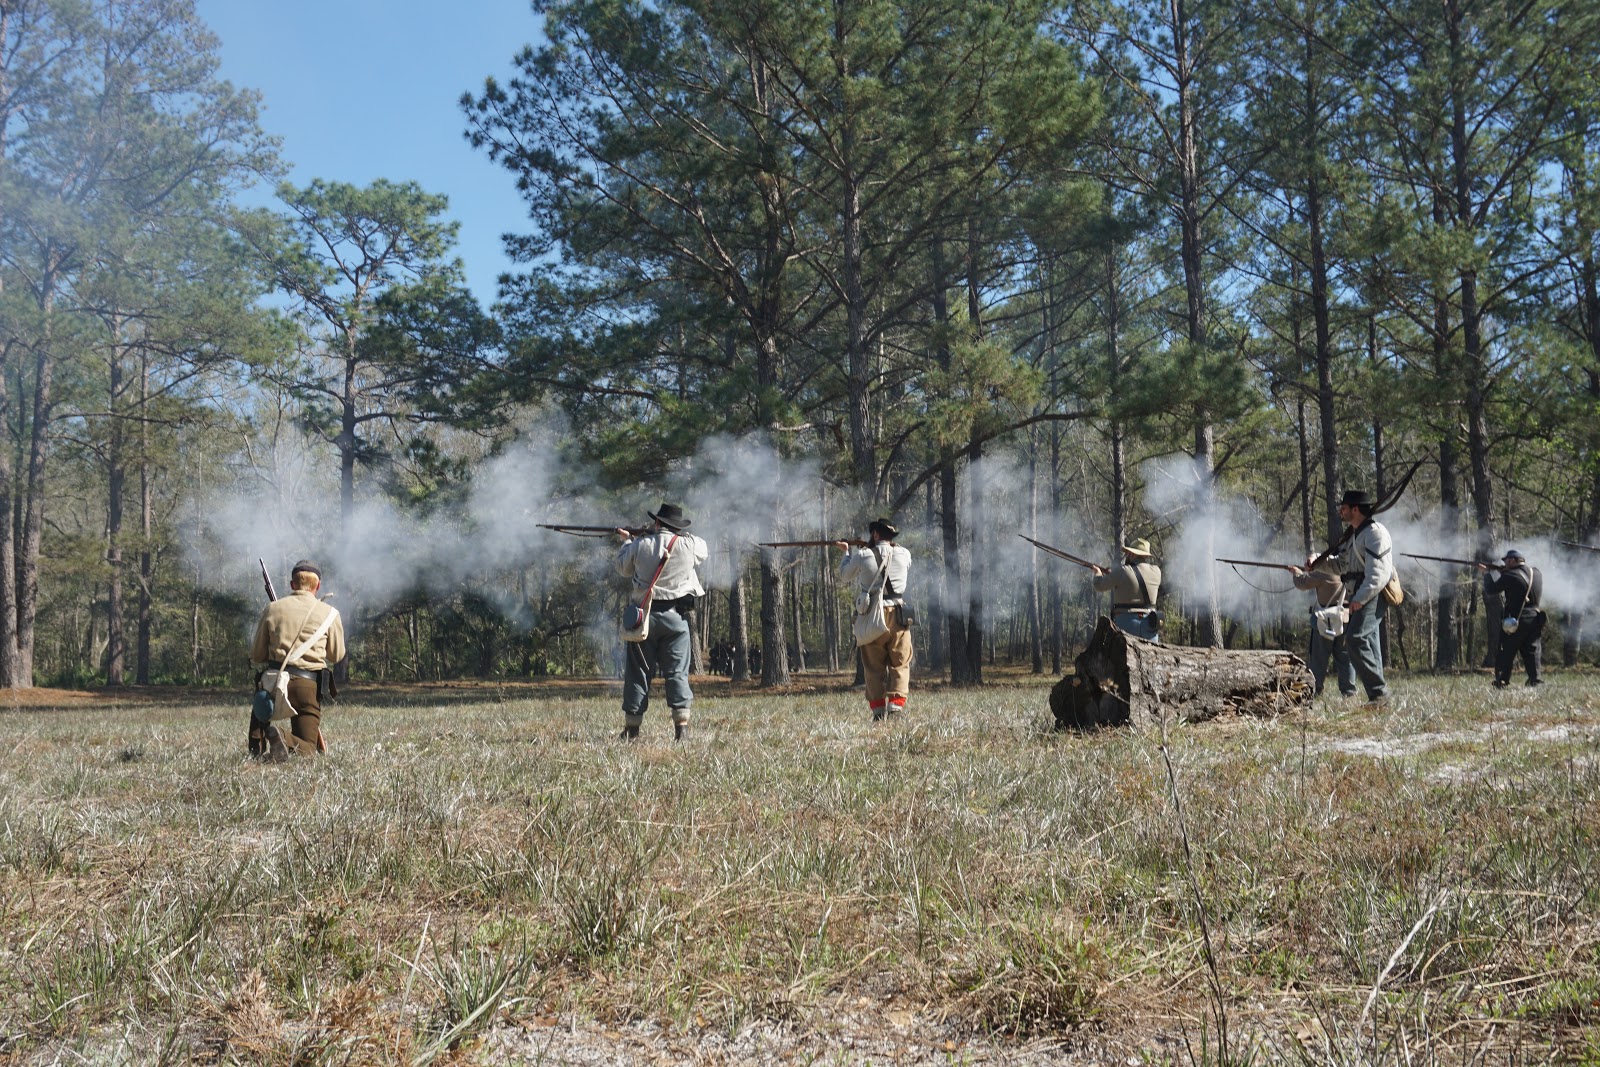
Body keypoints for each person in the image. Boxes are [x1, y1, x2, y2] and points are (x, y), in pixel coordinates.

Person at [616, 503, 709, 741]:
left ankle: (632, 730)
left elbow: (623, 568)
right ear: (676, 527)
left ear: (657, 523)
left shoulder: (640, 545)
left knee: (638, 673)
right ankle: (682, 728)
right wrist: (671, 534)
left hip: (643, 619)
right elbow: (703, 548)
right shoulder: (688, 544)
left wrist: (628, 540)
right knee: (677, 673)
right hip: (676, 619)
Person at [249, 559, 346, 759]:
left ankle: (256, 753)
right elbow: (336, 655)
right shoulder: (330, 614)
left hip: (273, 683)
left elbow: (257, 655)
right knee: (308, 749)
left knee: (260, 704)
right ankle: (285, 739)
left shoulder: (272, 609)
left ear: (292, 585)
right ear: (317, 586)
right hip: (308, 686)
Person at [836, 519, 913, 720]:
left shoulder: (863, 555)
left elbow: (844, 575)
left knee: (873, 666)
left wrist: (846, 552)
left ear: (876, 535)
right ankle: (895, 708)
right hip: (898, 615)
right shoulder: (904, 553)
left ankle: (879, 713)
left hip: (872, 616)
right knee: (900, 662)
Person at [1333, 489, 1393, 706]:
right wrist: (1315, 563)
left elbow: (1379, 573)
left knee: (1355, 639)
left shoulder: (1375, 533)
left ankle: (1379, 693)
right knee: (1368, 642)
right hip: (1359, 593)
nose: (1341, 511)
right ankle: (1379, 696)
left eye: (1344, 507)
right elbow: (1342, 565)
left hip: (1370, 595)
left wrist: (1360, 598)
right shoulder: (1354, 534)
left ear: (1355, 509)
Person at [1288, 557, 1357, 698]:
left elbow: (1302, 583)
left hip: (1324, 620)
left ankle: (1315, 690)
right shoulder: (1350, 568)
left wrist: (1296, 573)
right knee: (1345, 658)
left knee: (1318, 658)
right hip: (1345, 618)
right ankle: (1349, 692)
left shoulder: (1323, 571)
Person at [1480, 548, 1544, 688]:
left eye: (1507, 561)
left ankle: (1502, 680)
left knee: (1506, 650)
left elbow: (1491, 589)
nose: (1505, 563)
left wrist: (1486, 573)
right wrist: (1504, 572)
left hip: (1516, 619)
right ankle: (1535, 680)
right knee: (1532, 651)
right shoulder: (1536, 573)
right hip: (1535, 617)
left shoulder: (1510, 576)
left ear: (1512, 560)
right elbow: (1520, 583)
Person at [1091, 538, 1162, 642]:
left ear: (1132, 554)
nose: (1127, 555)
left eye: (1128, 553)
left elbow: (1099, 586)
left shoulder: (1122, 571)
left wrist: (1097, 573)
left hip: (1126, 623)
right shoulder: (1157, 571)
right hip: (1150, 623)